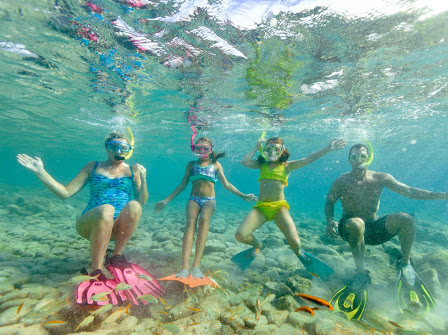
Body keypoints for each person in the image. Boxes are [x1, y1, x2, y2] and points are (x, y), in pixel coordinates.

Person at [325, 142, 448, 319]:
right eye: (354, 157)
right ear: (349, 160)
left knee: (406, 219)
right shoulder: (341, 181)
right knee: (357, 224)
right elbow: (329, 202)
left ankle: (405, 264)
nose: (358, 160)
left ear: (369, 158)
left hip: (374, 229)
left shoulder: (380, 178)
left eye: (362, 156)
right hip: (350, 228)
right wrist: (329, 221)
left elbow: (410, 191)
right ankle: (361, 273)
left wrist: (446, 195)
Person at [16, 129, 163, 306]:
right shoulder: (92, 167)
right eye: (113, 146)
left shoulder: (133, 171)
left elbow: (142, 201)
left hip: (117, 228)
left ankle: (116, 256)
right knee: (107, 209)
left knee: (135, 205)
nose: (117, 151)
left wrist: (144, 178)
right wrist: (40, 172)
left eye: (122, 147)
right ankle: (96, 270)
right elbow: (65, 193)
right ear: (106, 148)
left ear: (129, 150)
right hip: (90, 224)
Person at [232, 136, 346, 278]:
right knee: (240, 235)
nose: (273, 152)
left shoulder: (287, 166)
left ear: (282, 151)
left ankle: (300, 254)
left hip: (279, 207)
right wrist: (256, 147)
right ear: (265, 151)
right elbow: (244, 162)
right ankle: (258, 245)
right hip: (261, 208)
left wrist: (328, 148)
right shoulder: (261, 164)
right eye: (269, 149)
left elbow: (308, 159)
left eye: (277, 149)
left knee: (296, 243)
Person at [155, 137, 256, 286]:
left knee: (204, 221)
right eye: (199, 148)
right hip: (193, 199)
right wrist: (166, 200)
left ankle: (196, 267)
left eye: (205, 148)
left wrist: (243, 195)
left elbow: (226, 184)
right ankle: (184, 268)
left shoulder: (215, 164)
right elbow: (182, 185)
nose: (202, 151)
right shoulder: (191, 165)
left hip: (209, 200)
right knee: (190, 224)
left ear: (211, 150)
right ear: (194, 149)